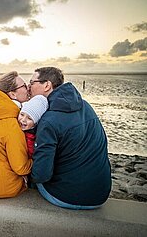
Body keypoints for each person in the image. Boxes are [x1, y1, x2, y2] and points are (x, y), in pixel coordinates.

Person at [28, 67, 111, 210]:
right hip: (101, 194)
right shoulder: (85, 106)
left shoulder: (48, 120)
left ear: (47, 85)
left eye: (31, 83)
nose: (28, 88)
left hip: (67, 197)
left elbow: (41, 175)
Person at [17, 95, 48, 159]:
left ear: (35, 123)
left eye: (29, 118)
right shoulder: (15, 126)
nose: (23, 120)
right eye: (22, 114)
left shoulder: (32, 138)